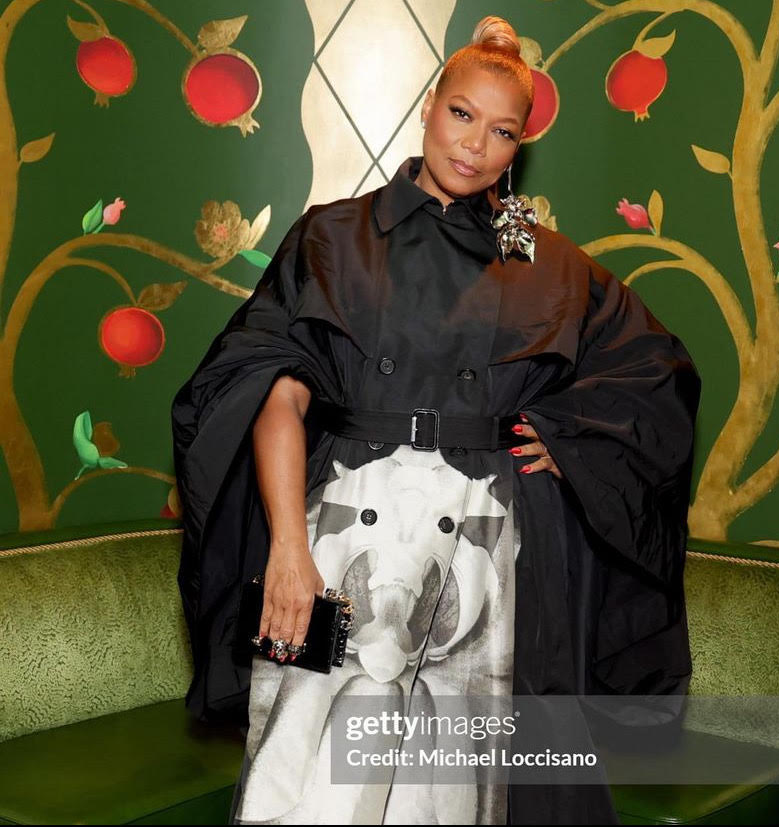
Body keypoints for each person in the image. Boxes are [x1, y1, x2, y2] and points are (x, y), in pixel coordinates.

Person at [170, 14, 701, 826]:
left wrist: (572, 439)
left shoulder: (546, 263)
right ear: (428, 105)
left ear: (519, 146)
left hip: (482, 563)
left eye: (503, 132)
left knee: (448, 796)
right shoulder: (330, 235)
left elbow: (657, 375)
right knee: (305, 784)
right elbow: (270, 389)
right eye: (461, 114)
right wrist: (287, 551)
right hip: (332, 547)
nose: (476, 145)